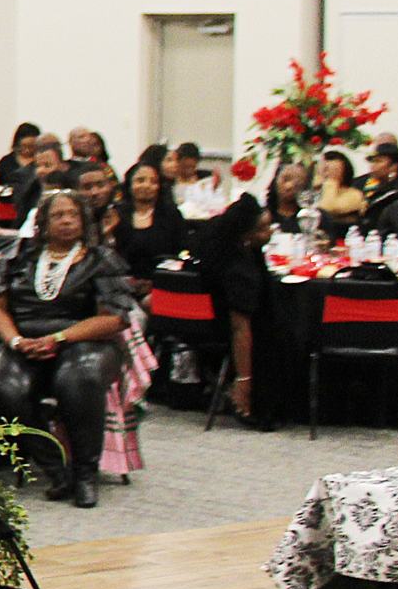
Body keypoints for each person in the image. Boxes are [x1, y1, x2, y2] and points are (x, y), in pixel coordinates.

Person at [0, 195, 130, 506]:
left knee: (77, 379)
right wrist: (16, 342)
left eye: (73, 214)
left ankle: (85, 474)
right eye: (58, 215)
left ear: (84, 221)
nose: (66, 220)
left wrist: (59, 338)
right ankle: (56, 470)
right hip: (25, 341)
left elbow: (114, 318)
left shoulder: (101, 259)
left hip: (84, 342)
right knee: (3, 386)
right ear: (43, 224)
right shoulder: (17, 256)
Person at [190, 194, 275, 424]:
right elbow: (240, 328)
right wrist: (244, 380)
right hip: (225, 330)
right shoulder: (240, 271)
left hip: (204, 321)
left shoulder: (224, 248)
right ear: (246, 236)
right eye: (263, 229)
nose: (270, 233)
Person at [104, 161, 184, 279]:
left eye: (153, 181)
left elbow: (179, 251)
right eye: (140, 180)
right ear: (130, 185)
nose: (146, 185)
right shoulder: (115, 214)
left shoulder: (171, 214)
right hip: (122, 282)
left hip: (162, 281)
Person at [310, 149, 369, 240]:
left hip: (342, 238)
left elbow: (327, 208)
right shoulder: (312, 194)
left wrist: (330, 182)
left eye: (328, 169)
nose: (324, 173)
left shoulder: (354, 194)